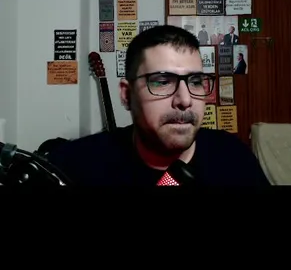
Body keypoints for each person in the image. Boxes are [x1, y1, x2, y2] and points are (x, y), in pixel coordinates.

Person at [47, 25, 270, 186]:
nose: (185, 100)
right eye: (163, 82)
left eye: (195, 82)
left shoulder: (234, 159)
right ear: (127, 95)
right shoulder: (75, 166)